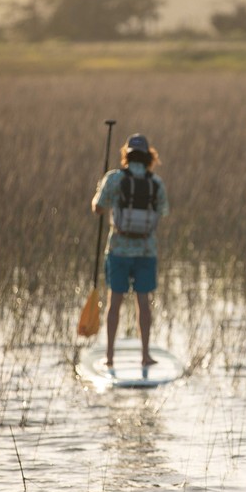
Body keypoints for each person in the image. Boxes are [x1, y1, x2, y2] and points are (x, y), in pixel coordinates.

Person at [92, 133, 169, 368]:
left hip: (118, 249)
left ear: (126, 154)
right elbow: (162, 211)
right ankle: (145, 356)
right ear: (148, 157)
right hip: (146, 250)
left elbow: (98, 208)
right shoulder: (155, 183)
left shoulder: (114, 179)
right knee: (143, 303)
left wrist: (100, 189)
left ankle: (109, 357)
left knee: (114, 302)